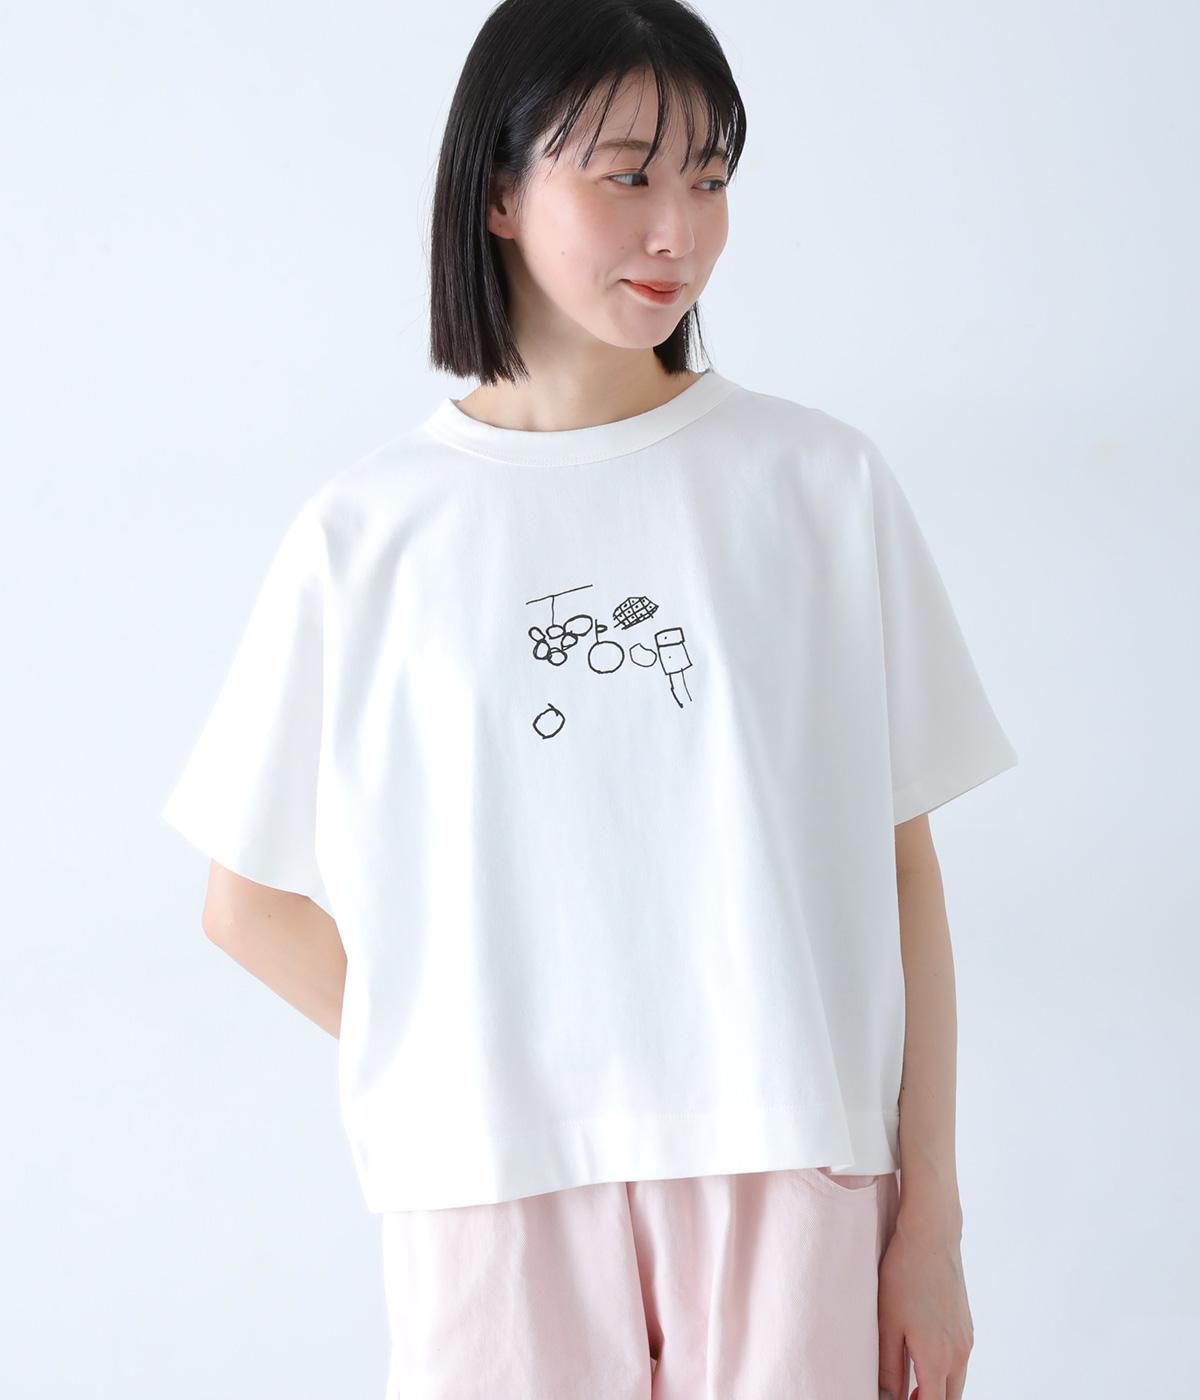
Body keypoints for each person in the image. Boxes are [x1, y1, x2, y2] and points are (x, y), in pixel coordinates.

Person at [160, 1, 1018, 1396]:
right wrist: (467, 1055)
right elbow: (244, 903)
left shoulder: (816, 487)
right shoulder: (367, 536)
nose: (679, 229)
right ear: (499, 191)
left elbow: (902, 867)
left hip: (787, 1155)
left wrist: (935, 1224)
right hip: (491, 1186)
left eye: (710, 177)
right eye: (628, 175)